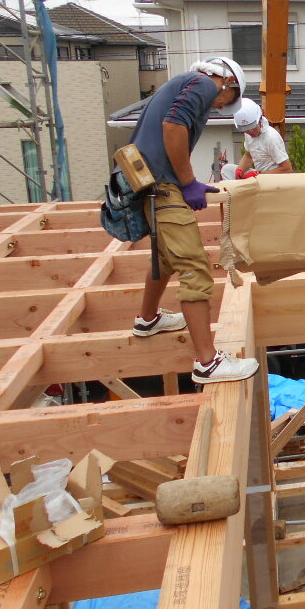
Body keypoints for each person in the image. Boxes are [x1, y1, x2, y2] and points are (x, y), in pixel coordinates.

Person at [128, 56, 260, 384]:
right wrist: (187, 183)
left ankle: (148, 319)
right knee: (195, 267)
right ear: (227, 83)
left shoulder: (180, 86)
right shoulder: (201, 84)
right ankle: (208, 363)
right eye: (228, 99)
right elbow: (173, 127)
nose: (220, 106)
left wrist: (187, 181)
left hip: (149, 182)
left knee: (165, 257)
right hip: (162, 185)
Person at [228, 98, 293, 178]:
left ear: (260, 120)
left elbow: (287, 169)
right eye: (246, 130)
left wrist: (258, 175)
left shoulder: (271, 137)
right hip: (259, 176)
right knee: (227, 169)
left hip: (274, 181)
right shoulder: (248, 134)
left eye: (253, 128)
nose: (250, 132)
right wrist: (240, 170)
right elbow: (249, 156)